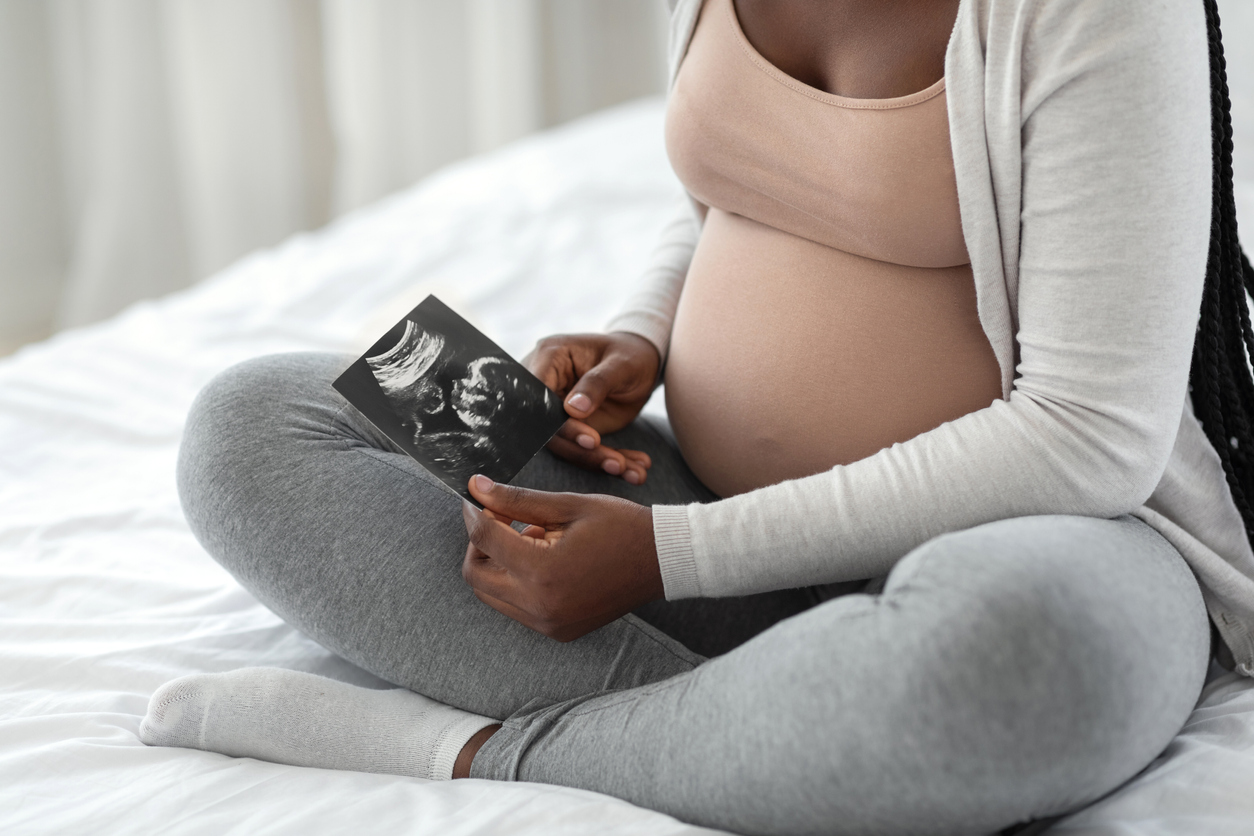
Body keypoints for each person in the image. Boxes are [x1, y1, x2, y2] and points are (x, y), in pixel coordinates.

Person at [139, 0, 1254, 833]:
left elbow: (1089, 434)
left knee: (1024, 660)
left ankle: (477, 747)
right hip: (685, 494)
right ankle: (773, 731)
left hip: (1038, 537)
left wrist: (673, 557)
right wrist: (640, 333)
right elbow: (728, 193)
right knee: (260, 423)